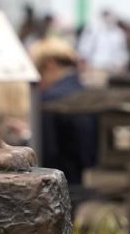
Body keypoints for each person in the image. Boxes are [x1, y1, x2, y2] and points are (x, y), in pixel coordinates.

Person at [31, 37, 97, 189]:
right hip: (79, 177)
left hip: (55, 181)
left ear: (50, 65)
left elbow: (46, 150)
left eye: (39, 71)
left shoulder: (50, 99)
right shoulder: (85, 93)